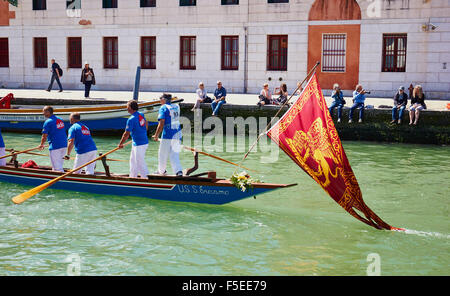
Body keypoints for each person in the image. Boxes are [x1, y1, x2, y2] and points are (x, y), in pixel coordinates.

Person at [152, 93, 183, 176]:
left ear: (164, 99)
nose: (159, 100)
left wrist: (156, 135)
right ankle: (178, 171)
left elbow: (161, 123)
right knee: (175, 154)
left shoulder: (163, 107)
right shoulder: (177, 106)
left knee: (162, 153)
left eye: (160, 98)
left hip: (168, 135)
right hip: (178, 134)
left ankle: (161, 171)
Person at [118, 100, 149, 178]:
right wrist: (144, 131)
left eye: (127, 107)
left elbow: (126, 134)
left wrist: (120, 144)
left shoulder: (131, 119)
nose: (126, 108)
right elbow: (146, 123)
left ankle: (146, 179)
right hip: (139, 142)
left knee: (140, 162)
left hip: (140, 144)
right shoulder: (141, 114)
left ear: (131, 108)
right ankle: (133, 177)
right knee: (133, 161)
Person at [38, 106, 67, 172]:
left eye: (44, 111)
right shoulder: (60, 119)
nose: (43, 113)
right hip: (64, 145)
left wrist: (41, 145)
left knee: (58, 169)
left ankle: (60, 179)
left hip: (55, 146)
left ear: (48, 112)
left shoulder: (48, 122)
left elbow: (44, 135)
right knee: (59, 165)